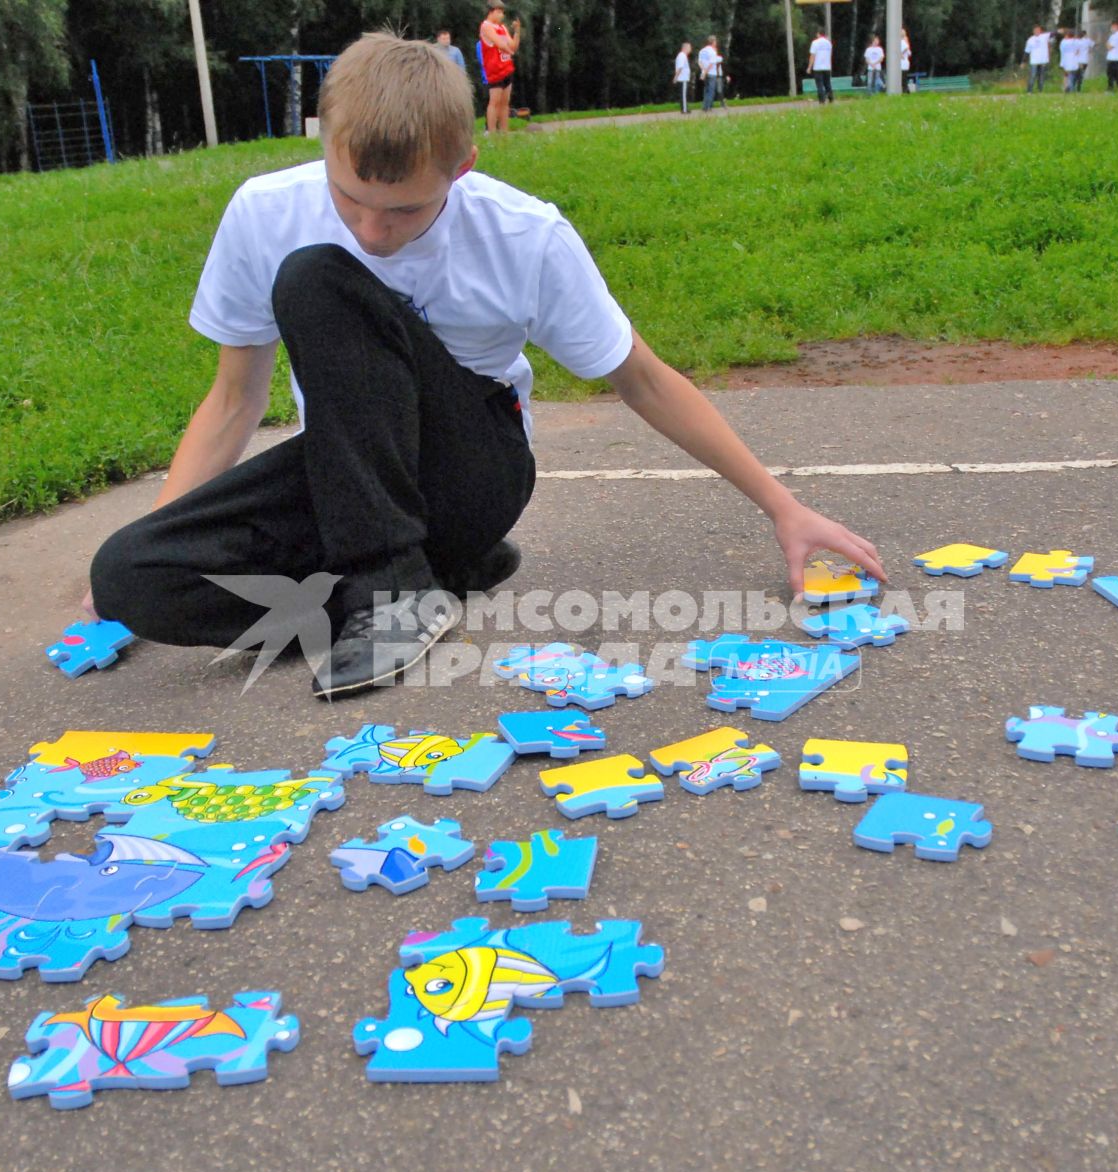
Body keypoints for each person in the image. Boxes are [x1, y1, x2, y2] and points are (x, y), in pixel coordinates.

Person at [86, 34, 884, 699]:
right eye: (348, 196)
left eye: (403, 210)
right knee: (132, 575)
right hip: (353, 479)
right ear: (323, 147)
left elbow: (639, 376)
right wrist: (161, 525)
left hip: (474, 465)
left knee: (316, 275)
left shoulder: (523, 235)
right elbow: (233, 400)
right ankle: (437, 572)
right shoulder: (262, 210)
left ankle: (399, 589)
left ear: (461, 166)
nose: (372, 229)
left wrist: (781, 506)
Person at [479, 5, 520, 133]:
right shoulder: (486, 26)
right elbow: (500, 43)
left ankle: (504, 133)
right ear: (491, 12)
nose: (501, 15)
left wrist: (517, 32)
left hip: (506, 67)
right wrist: (509, 50)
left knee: (505, 103)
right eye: (499, 12)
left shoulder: (502, 27)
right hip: (495, 69)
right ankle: (491, 132)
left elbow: (513, 46)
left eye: (502, 12)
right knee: (494, 103)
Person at [698, 35, 725, 111]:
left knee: (705, 90)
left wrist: (703, 71)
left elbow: (699, 62)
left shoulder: (702, 50)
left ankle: (704, 106)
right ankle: (708, 107)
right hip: (712, 73)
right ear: (713, 42)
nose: (716, 43)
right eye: (715, 41)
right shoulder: (712, 52)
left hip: (704, 72)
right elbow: (711, 64)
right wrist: (706, 71)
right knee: (711, 90)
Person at [808, 29, 835, 103]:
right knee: (827, 84)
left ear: (818, 34)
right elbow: (830, 55)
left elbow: (812, 55)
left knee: (819, 84)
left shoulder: (815, 43)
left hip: (818, 67)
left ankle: (822, 100)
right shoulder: (828, 43)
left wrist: (809, 67)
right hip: (827, 67)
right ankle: (831, 98)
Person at [1025, 24, 1051, 91]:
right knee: (1033, 76)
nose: (1037, 31)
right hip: (1034, 61)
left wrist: (1060, 31)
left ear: (1040, 31)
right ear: (1033, 31)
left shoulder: (1044, 36)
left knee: (1041, 76)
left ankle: (1040, 90)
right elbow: (1027, 51)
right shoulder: (1030, 40)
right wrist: (1023, 61)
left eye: (1038, 30)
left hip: (1043, 60)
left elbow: (1053, 33)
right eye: (1035, 30)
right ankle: (1029, 90)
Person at [1105, 22, 1118, 91]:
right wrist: (1107, 43)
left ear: (1116, 27)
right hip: (1111, 57)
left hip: (1114, 58)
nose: (1111, 29)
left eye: (1112, 27)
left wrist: (1107, 43)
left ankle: (1110, 88)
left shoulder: (1117, 36)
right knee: (1115, 73)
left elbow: (1109, 47)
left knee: (1111, 74)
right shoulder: (1113, 35)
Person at [674, 41, 693, 111]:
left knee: (682, 94)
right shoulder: (682, 55)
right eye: (689, 47)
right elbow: (680, 67)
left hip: (683, 78)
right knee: (684, 94)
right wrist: (675, 77)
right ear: (685, 48)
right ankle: (684, 109)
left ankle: (683, 108)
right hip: (683, 78)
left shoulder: (682, 55)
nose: (690, 49)